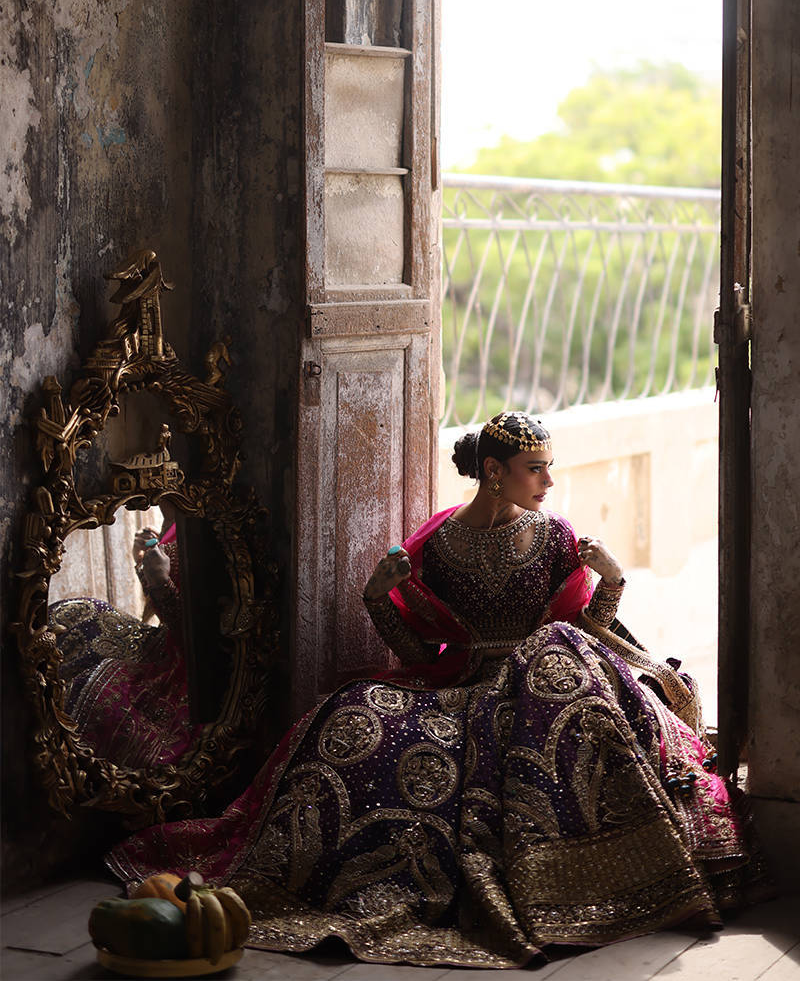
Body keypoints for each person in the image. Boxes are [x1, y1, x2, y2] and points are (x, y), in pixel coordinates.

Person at [106, 412, 762, 969]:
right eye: (537, 467)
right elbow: (420, 654)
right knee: (348, 717)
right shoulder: (441, 548)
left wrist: (612, 578)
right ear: (495, 470)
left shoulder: (557, 535)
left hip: (549, 675)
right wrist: (376, 598)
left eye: (549, 466)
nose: (550, 481)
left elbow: (583, 629)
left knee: (570, 684)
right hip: (466, 686)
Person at [49, 516, 195, 769]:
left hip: (186, 674)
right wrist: (144, 563)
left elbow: (205, 644)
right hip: (163, 641)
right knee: (75, 616)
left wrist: (161, 582)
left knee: (84, 694)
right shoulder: (178, 517)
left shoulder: (211, 532)